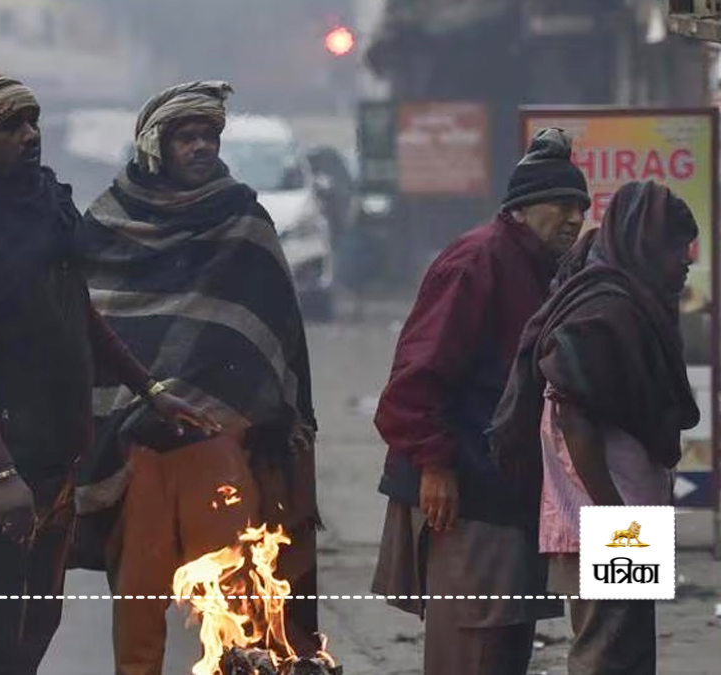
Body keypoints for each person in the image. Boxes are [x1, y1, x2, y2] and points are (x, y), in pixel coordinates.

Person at [0, 64, 216, 675]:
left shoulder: (45, 205)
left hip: (54, 460)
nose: (29, 135)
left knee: (34, 628)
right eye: (9, 126)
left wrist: (150, 390)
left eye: (32, 121)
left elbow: (76, 313)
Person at [73, 81, 319, 675]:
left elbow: (276, 331)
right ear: (156, 146)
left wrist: (279, 424)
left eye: (210, 135)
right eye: (188, 137)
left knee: (239, 596)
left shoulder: (243, 219)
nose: (203, 146)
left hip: (218, 442)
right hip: (137, 449)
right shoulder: (106, 221)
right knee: (139, 599)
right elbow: (82, 326)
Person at [370, 128, 590, 675]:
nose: (573, 218)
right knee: (473, 646)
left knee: (505, 644)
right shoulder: (479, 261)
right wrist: (434, 465)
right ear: (521, 207)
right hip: (464, 490)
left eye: (581, 207)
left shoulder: (545, 269)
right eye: (561, 204)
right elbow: (415, 380)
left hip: (509, 489)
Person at [491, 180, 699, 675]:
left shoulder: (625, 302)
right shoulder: (604, 310)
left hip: (625, 515)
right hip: (606, 518)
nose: (686, 263)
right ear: (646, 245)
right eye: (678, 249)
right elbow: (574, 418)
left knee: (628, 651)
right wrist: (615, 522)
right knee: (607, 653)